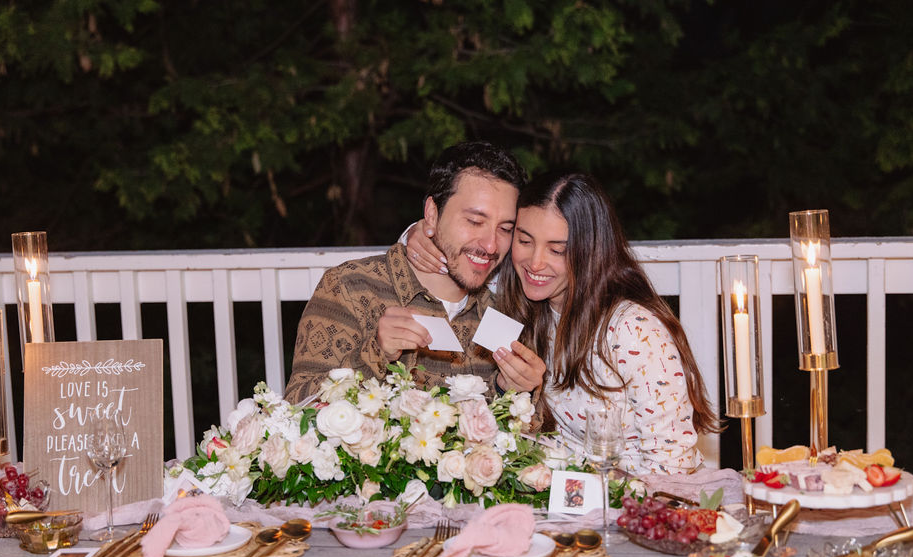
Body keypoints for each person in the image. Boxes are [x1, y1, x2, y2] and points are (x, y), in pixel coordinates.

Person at [408, 170, 719, 474]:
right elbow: (467, 259)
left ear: (590, 251)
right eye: (525, 241)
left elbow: (673, 465)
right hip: (564, 503)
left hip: (635, 506)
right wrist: (421, 232)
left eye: (557, 249)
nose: (535, 262)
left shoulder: (633, 331)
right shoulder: (518, 300)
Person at [282, 141, 543, 404]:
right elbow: (296, 406)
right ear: (431, 213)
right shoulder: (350, 287)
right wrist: (376, 353)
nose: (490, 245)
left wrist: (511, 391)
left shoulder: (506, 308)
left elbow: (523, 436)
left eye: (505, 229)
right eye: (475, 221)